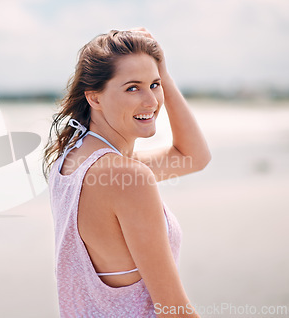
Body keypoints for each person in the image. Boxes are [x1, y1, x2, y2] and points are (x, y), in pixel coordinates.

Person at [43, 28, 211, 317]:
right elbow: (173, 309)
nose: (151, 101)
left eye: (154, 85)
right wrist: (160, 77)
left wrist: (164, 76)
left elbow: (192, 157)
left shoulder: (71, 159)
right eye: (132, 87)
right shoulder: (127, 178)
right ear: (94, 98)